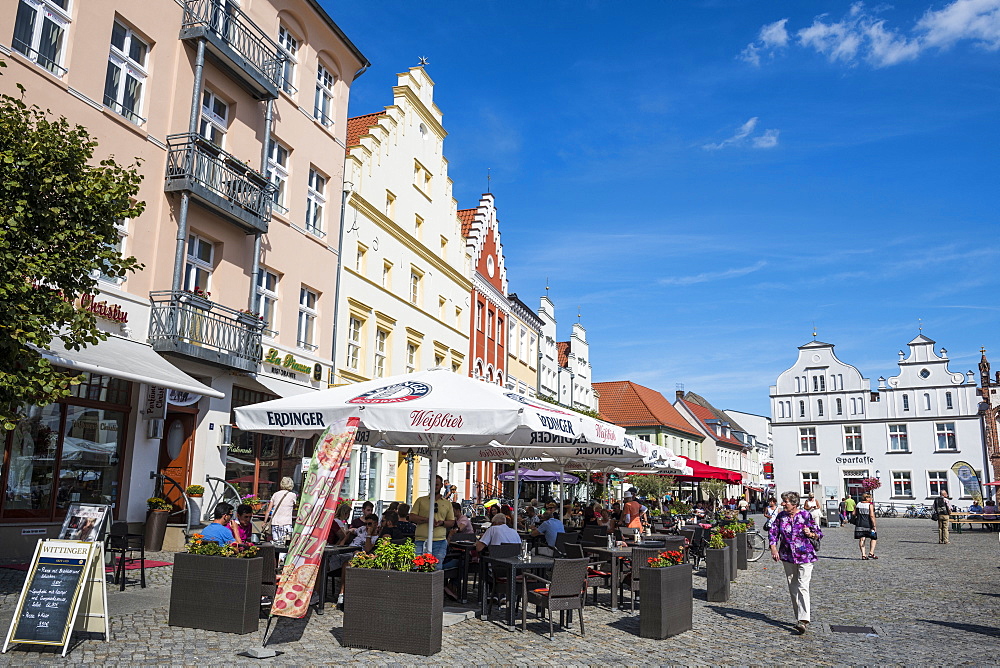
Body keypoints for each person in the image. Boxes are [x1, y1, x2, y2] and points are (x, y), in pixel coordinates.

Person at [769, 491, 822, 635]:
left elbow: (818, 533)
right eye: (783, 501)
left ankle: (804, 620)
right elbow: (773, 533)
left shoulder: (805, 515)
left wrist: (810, 533)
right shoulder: (781, 516)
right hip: (787, 556)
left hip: (805, 556)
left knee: (803, 585)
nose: (783, 504)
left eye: (785, 501)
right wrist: (774, 549)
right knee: (793, 586)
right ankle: (799, 617)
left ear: (794, 503)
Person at [410, 475, 455, 567]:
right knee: (416, 567)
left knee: (436, 568)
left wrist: (442, 523)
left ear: (441, 485)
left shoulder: (447, 503)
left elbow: (451, 522)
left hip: (439, 541)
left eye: (437, 484)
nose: (435, 486)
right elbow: (411, 517)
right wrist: (426, 520)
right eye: (433, 484)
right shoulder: (421, 500)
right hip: (420, 540)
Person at [264, 477, 297, 544]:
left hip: (275, 523)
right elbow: (295, 507)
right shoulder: (292, 495)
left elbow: (268, 510)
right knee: (284, 546)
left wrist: (265, 522)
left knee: (276, 544)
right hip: (286, 523)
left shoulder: (275, 494)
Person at [852, 493, 878, 559]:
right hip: (868, 524)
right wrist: (874, 525)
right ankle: (871, 552)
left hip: (859, 524)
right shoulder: (870, 505)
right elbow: (872, 515)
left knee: (862, 539)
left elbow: (853, 513)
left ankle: (863, 555)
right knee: (873, 537)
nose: (871, 499)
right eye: (870, 498)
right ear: (867, 498)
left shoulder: (858, 504)